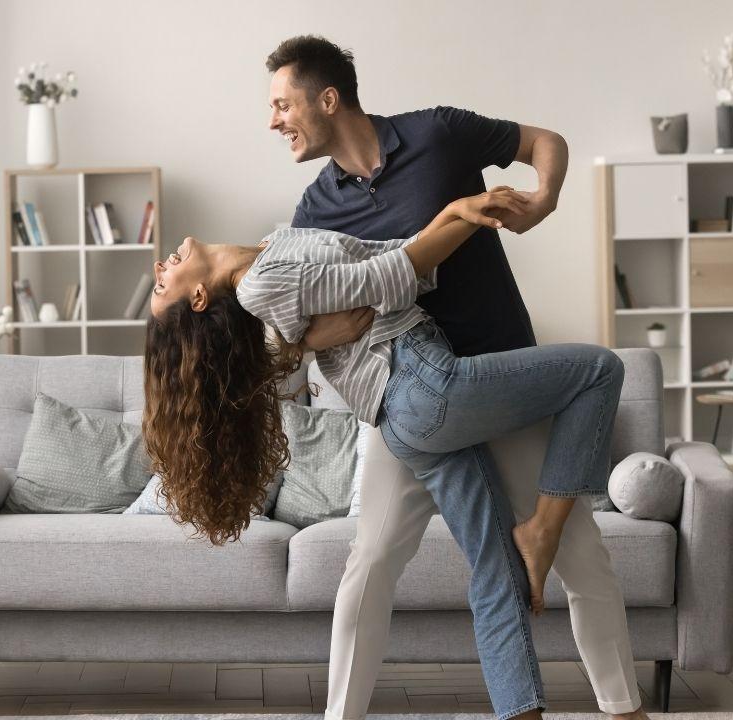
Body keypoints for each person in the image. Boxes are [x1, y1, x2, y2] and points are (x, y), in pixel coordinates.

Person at [258, 35, 646, 720]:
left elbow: (543, 141)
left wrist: (545, 197)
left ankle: (623, 709)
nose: (274, 121)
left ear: (328, 98)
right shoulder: (314, 213)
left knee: (583, 561)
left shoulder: (437, 134)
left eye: (283, 104)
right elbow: (297, 332)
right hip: (407, 398)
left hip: (500, 379)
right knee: (369, 564)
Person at [142, 186, 631, 719]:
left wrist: (445, 213)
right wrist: (461, 218)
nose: (160, 268)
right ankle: (544, 527)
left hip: (404, 418)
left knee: (497, 569)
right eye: (160, 286)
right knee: (599, 370)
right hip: (421, 384)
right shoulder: (260, 284)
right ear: (196, 300)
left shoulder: (273, 246)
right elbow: (383, 280)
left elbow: (380, 261)